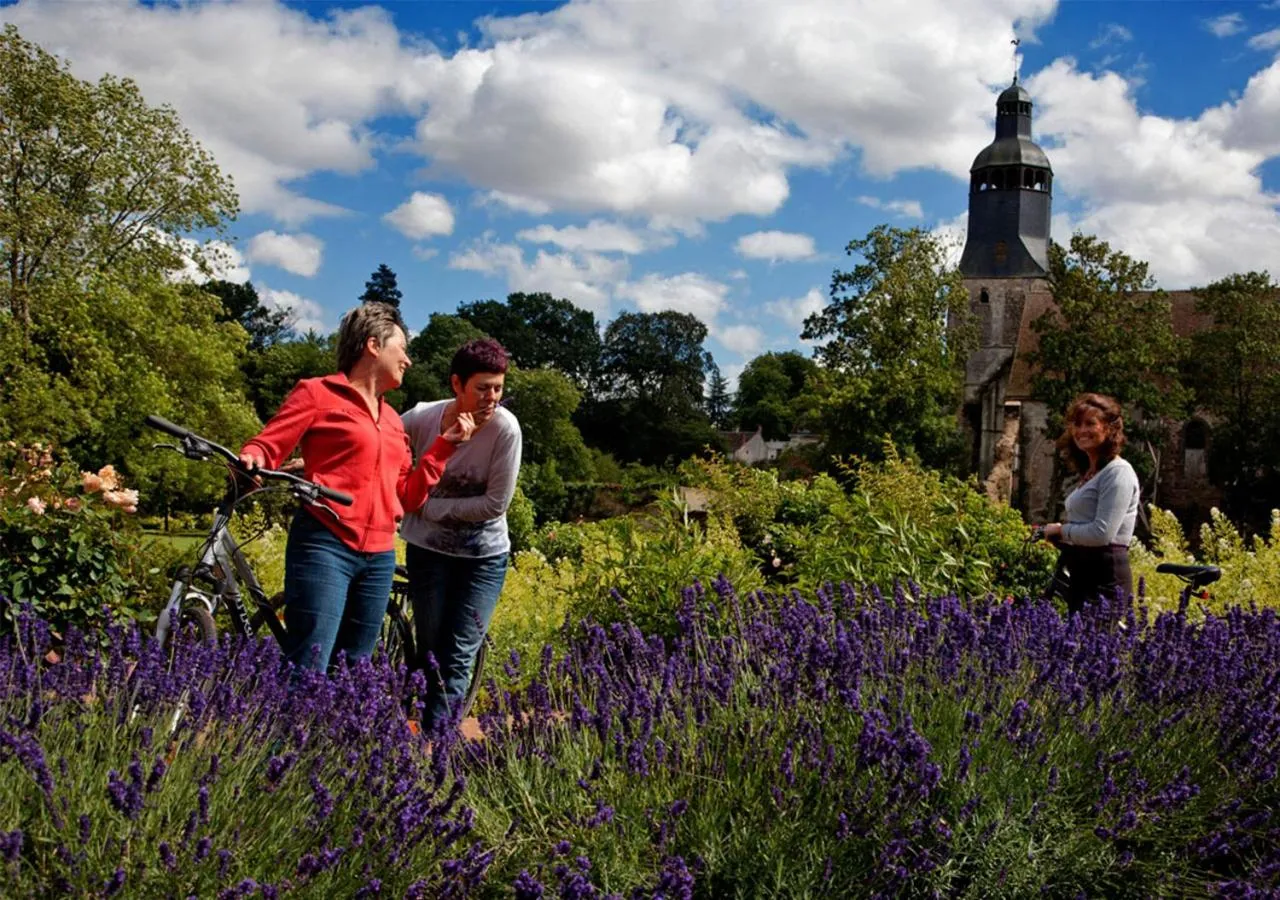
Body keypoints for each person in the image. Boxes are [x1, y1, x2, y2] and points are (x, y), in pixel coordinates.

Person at [238, 302, 475, 672]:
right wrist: (253, 458)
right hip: (324, 544)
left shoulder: (394, 421)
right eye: (403, 349)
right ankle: (285, 731)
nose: (408, 361)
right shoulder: (317, 394)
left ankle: (329, 733)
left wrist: (444, 446)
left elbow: (409, 496)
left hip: (379, 557)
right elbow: (269, 444)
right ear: (373, 345)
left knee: (353, 674)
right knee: (308, 664)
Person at [400, 338, 522, 728]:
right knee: (430, 648)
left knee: (458, 654)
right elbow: (380, 446)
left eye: (498, 388)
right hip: (428, 551)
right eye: (482, 388)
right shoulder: (422, 418)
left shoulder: (505, 429)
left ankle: (438, 749)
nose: (492, 398)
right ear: (457, 385)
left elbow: (494, 505)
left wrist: (429, 508)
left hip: (482, 559)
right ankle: (410, 734)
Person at [1040, 392, 1141, 612]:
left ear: (1109, 428)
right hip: (1083, 572)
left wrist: (1061, 530)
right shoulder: (1092, 473)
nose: (1081, 430)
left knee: (1097, 643)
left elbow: (1102, 533)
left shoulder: (1118, 473)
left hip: (1106, 576)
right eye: (1077, 424)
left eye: (1090, 423)